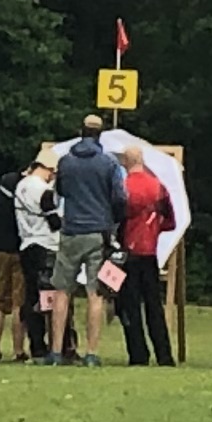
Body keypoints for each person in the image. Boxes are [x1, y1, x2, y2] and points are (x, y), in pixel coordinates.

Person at [51, 117, 126, 366]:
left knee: (62, 291)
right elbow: (119, 197)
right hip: (98, 232)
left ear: (79, 132)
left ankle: (56, 352)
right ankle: (91, 353)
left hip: (71, 230)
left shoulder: (66, 161)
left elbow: (61, 190)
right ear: (100, 135)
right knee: (96, 293)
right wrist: (114, 220)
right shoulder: (109, 163)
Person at [112, 137, 175, 364]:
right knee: (154, 305)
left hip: (128, 252)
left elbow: (115, 219)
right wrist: (154, 229)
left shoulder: (122, 187)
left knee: (129, 305)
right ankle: (164, 355)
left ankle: (138, 354)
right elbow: (170, 221)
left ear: (125, 163)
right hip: (150, 252)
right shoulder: (158, 186)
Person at [11, 151, 64, 360]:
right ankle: (52, 346)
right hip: (46, 245)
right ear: (48, 169)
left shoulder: (21, 186)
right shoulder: (43, 190)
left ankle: (36, 344)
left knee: (32, 296)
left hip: (27, 244)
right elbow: (54, 223)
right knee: (48, 299)